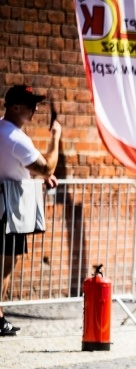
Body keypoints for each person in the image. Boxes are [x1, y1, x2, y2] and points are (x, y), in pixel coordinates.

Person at [0, 85, 61, 336]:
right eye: (30, 105)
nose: (35, 110)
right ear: (15, 107)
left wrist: (34, 176)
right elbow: (47, 167)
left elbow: (14, 166)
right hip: (10, 209)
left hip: (5, 202)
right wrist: (56, 137)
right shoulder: (16, 138)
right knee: (5, 264)